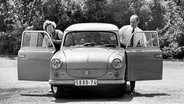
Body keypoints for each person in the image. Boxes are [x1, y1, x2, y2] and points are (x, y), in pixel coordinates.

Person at [119, 15, 147, 94]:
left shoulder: (140, 32)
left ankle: (132, 89)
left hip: (132, 51)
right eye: (131, 22)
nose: (132, 24)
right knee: (121, 67)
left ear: (138, 22)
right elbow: (117, 36)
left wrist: (141, 51)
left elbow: (144, 44)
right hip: (122, 49)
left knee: (132, 69)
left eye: (134, 22)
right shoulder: (124, 28)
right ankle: (121, 87)